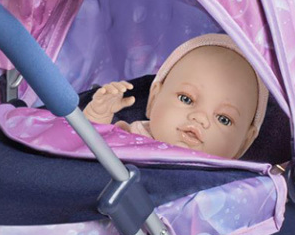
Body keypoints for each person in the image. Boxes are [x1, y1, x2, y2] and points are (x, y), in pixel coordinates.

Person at [84, 34, 267, 160]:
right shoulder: (129, 136)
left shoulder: (233, 188)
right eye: (186, 99)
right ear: (154, 99)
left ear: (244, 143)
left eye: (224, 119)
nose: (200, 118)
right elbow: (83, 156)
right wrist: (98, 116)